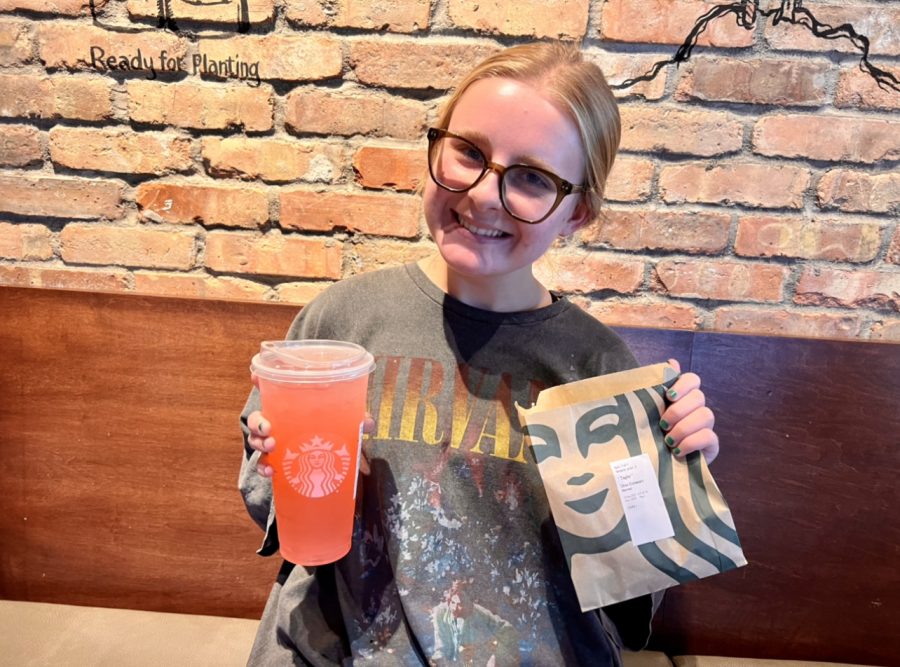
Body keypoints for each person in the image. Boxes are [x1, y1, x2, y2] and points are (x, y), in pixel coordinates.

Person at [239, 41, 719, 666]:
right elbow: (271, 509)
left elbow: (632, 596)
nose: (486, 194)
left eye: (532, 177)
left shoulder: (599, 370)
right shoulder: (341, 321)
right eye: (469, 152)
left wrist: (679, 474)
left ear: (578, 213)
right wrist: (290, 468)